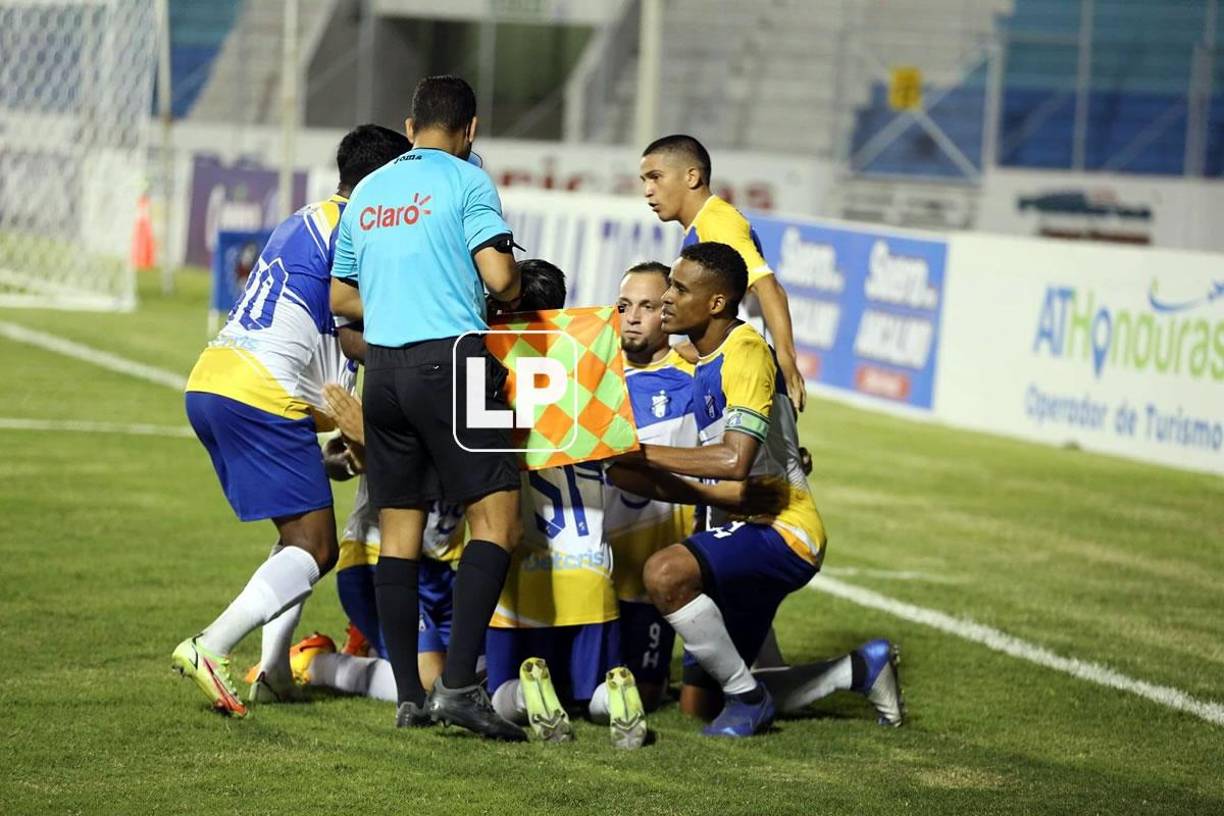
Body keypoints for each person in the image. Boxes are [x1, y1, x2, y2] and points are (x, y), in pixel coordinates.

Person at [172, 125, 411, 718]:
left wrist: (329, 441)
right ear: (385, 184)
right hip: (260, 391)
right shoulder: (360, 234)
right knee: (317, 546)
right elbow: (345, 354)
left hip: (213, 377)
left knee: (296, 537)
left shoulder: (304, 219)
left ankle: (275, 670)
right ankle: (213, 645)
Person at [619, 242, 903, 737]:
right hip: (746, 522)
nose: (666, 299)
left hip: (785, 529)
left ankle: (749, 700)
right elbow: (730, 482)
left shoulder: (745, 353)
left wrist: (642, 456)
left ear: (716, 303)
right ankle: (858, 669)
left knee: (664, 574)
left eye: (678, 290)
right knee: (700, 704)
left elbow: (735, 460)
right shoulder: (704, 357)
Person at [330, 75, 526, 740]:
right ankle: (462, 688)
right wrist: (509, 283)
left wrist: (399, 293)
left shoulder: (371, 190)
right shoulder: (469, 181)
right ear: (470, 131)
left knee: (400, 532)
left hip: (382, 372)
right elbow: (499, 277)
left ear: (409, 127)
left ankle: (410, 695)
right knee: (498, 521)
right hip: (456, 360)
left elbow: (341, 299)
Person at [639, 134, 808, 413]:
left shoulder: (717, 221)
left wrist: (788, 362)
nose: (648, 190)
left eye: (655, 177)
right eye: (644, 180)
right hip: (731, 375)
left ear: (691, 176)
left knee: (742, 457)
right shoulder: (699, 228)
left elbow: (766, 285)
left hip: (751, 380)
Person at [604, 261, 698, 712]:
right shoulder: (593, 375)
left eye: (647, 306)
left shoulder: (696, 375)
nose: (633, 317)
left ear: (669, 312)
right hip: (591, 570)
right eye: (624, 306)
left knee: (643, 695)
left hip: (651, 573)